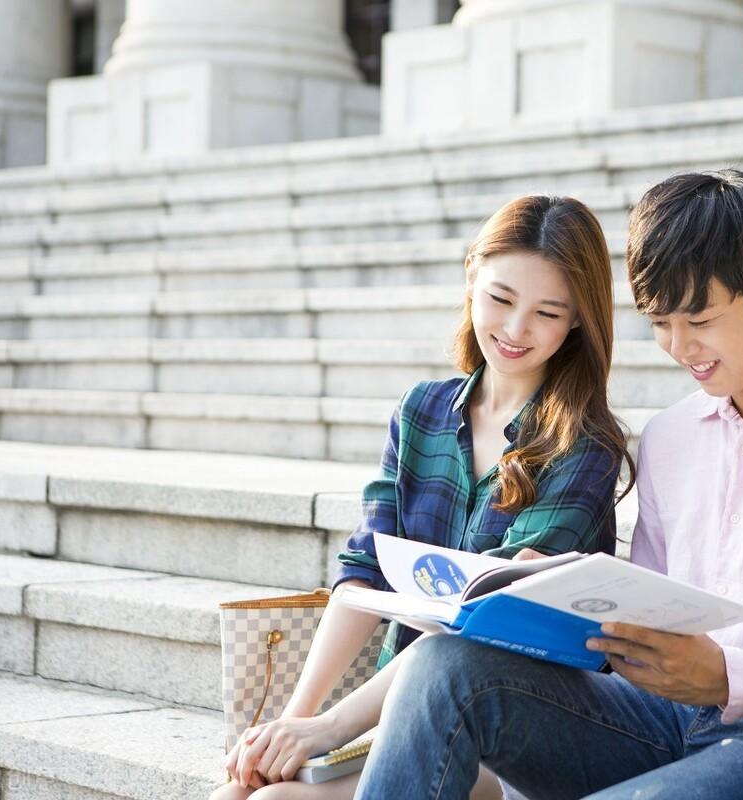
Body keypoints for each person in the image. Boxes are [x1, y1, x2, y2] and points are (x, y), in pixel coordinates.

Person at [352, 169, 743, 799]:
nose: (679, 347)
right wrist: (561, 596)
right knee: (443, 667)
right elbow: (650, 615)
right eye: (660, 322)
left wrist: (729, 676)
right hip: (677, 720)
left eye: (699, 320)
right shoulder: (674, 435)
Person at [210, 195, 634, 799]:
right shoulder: (423, 411)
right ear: (472, 276)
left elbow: (486, 619)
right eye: (501, 299)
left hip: (509, 721)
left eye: (547, 312)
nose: (516, 330)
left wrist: (329, 727)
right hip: (398, 704)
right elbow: (364, 574)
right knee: (240, 792)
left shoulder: (583, 444)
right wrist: (290, 725)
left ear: (576, 322)